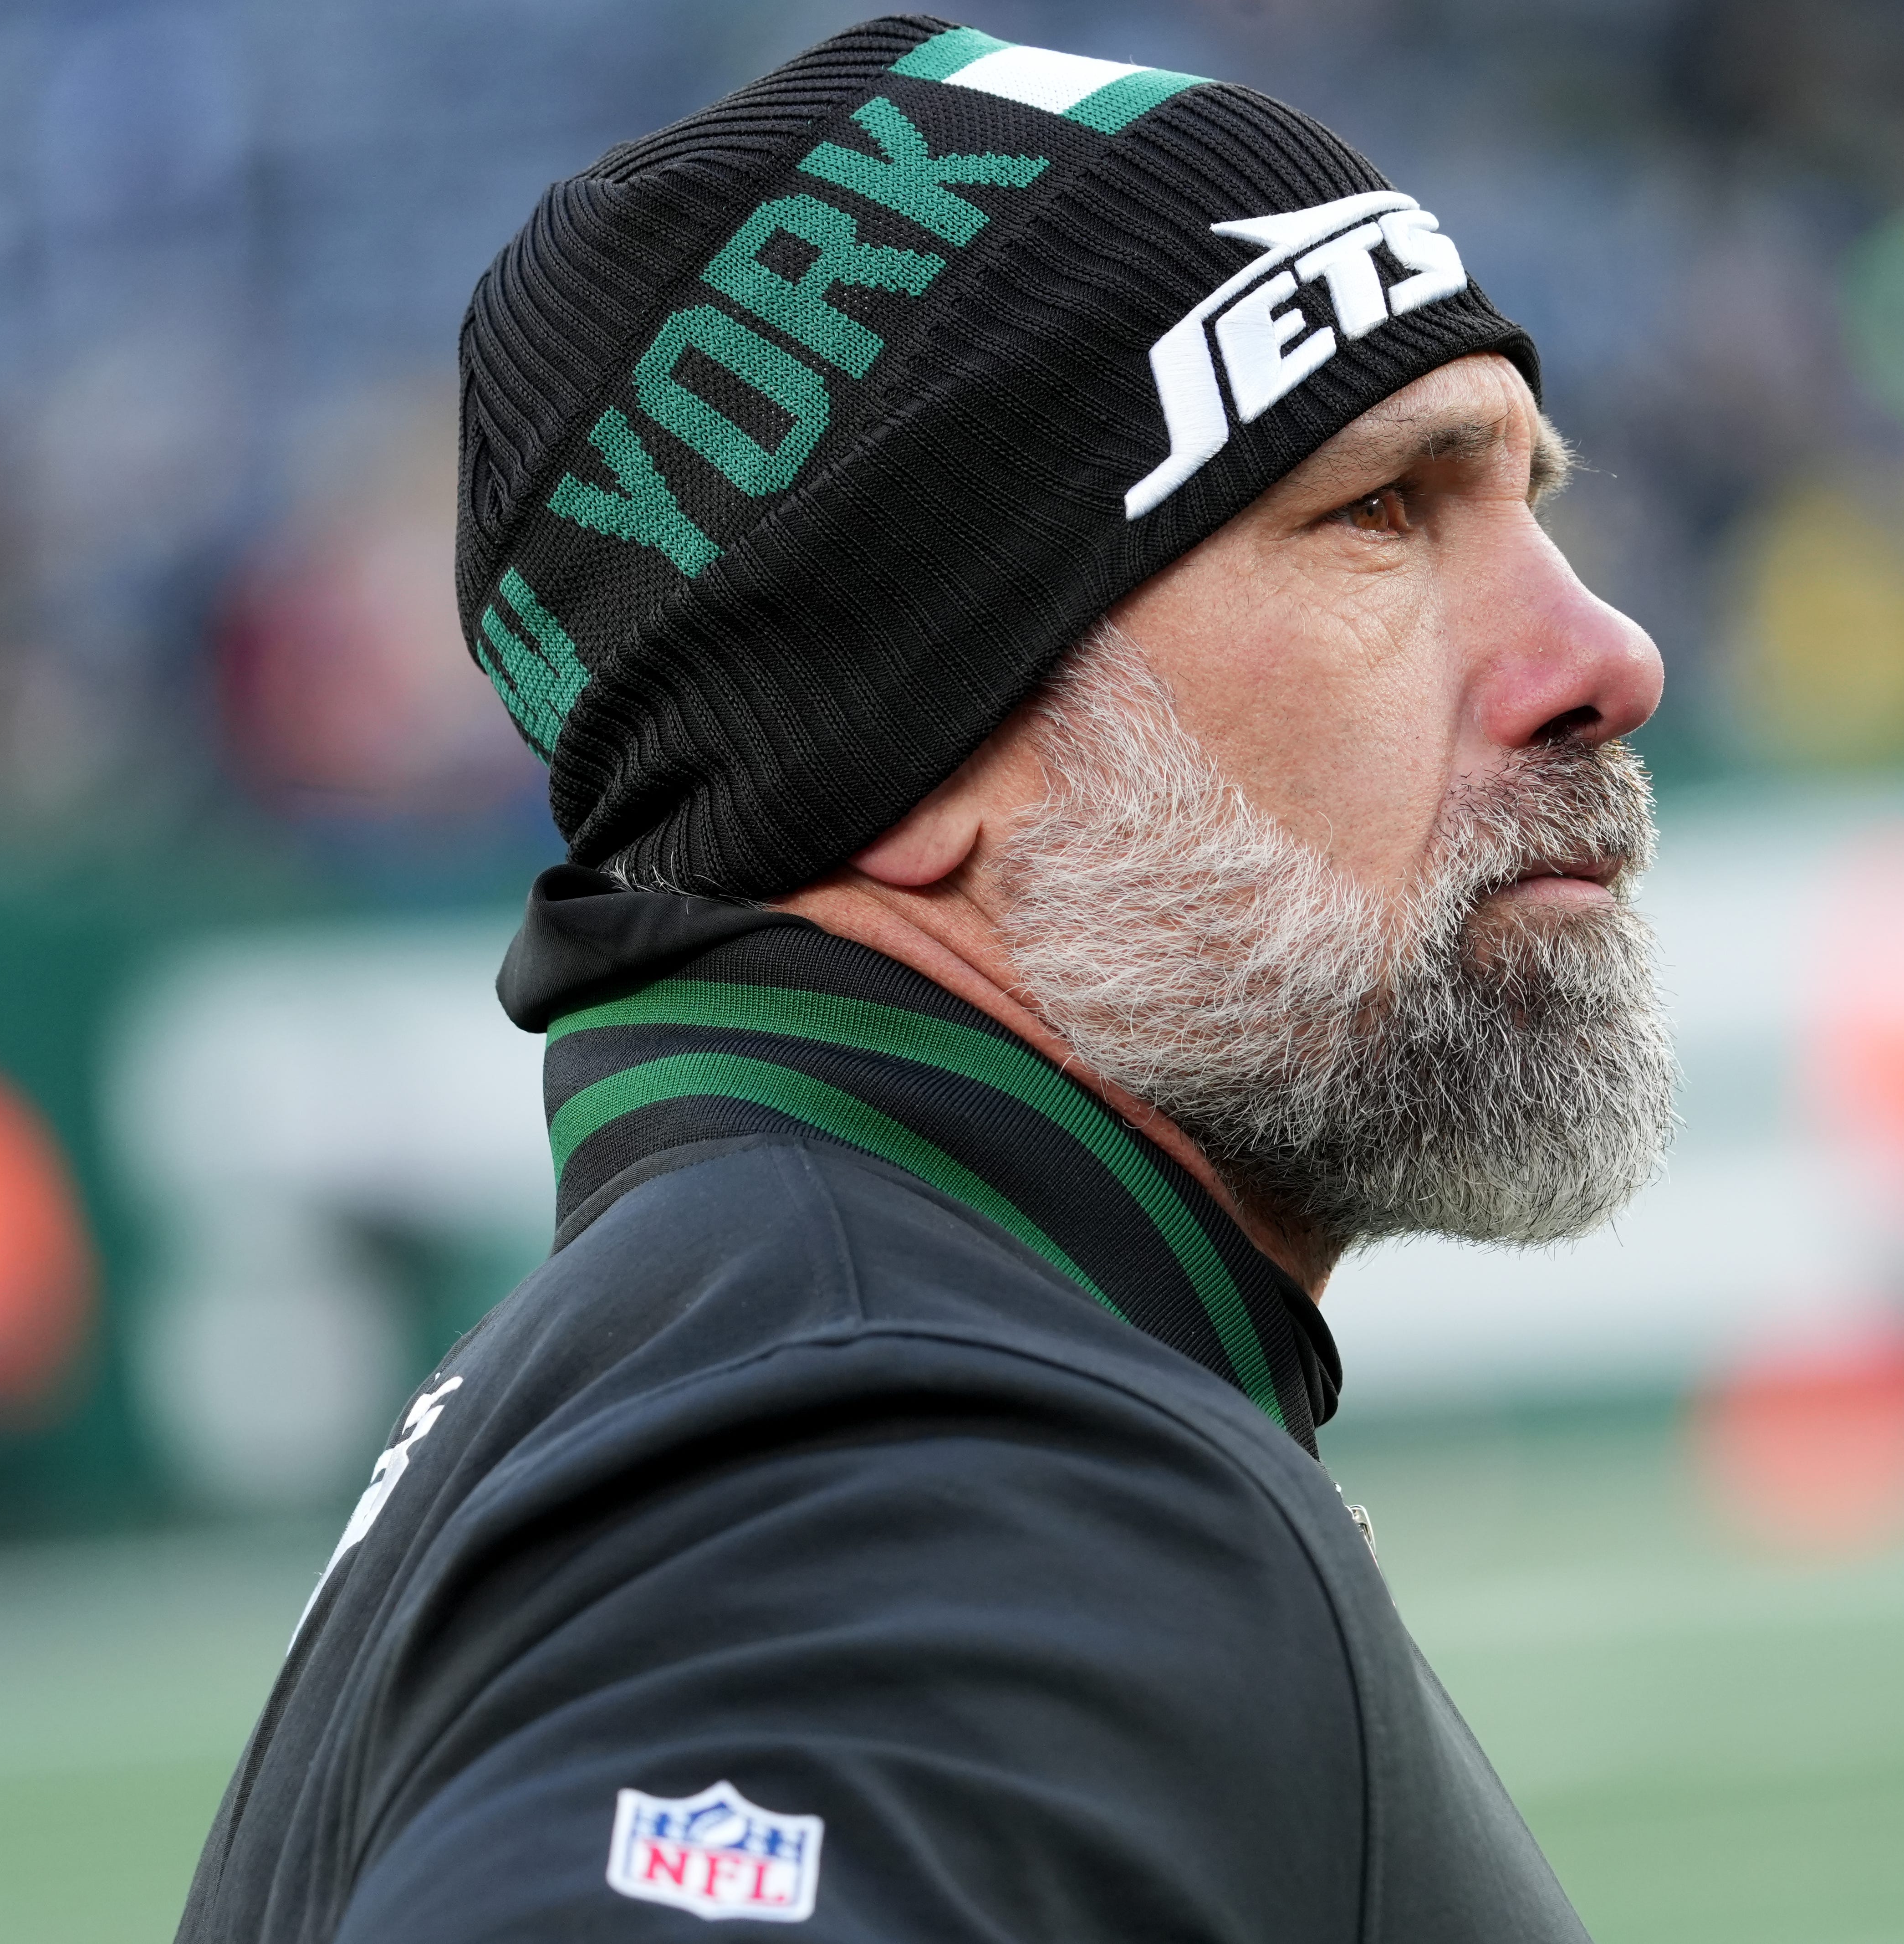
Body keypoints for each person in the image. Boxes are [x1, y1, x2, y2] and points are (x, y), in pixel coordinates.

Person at [178, 16, 1673, 1940]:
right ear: (910, 742)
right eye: (1378, 511)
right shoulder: (902, 1444)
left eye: (1532, 497)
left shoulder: (774, 1345)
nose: (1604, 655)